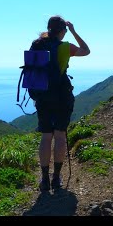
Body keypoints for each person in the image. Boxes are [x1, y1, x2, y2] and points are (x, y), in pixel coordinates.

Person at [29, 15, 90, 192]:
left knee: (46, 136)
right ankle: (56, 178)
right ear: (62, 31)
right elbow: (86, 50)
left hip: (42, 97)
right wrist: (74, 31)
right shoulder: (65, 47)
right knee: (60, 136)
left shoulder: (37, 45)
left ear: (48, 29)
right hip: (62, 97)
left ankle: (44, 179)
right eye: (64, 31)